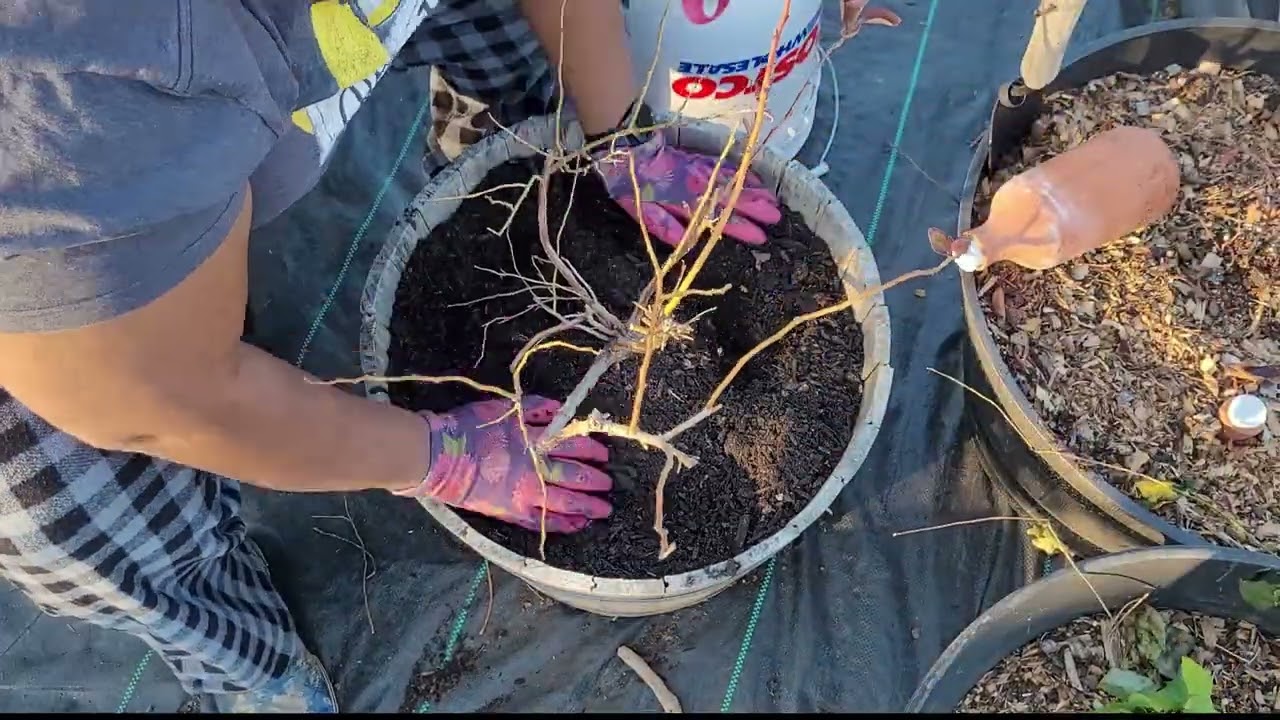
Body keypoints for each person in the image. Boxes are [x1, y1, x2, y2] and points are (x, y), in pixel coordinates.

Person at [0, 0, 783, 712]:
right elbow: (157, 402)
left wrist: (617, 129)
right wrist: (440, 455)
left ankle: (517, 169)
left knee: (520, 50)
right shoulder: (67, 100)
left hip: (206, 96)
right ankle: (246, 668)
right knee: (91, 529)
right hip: (64, 322)